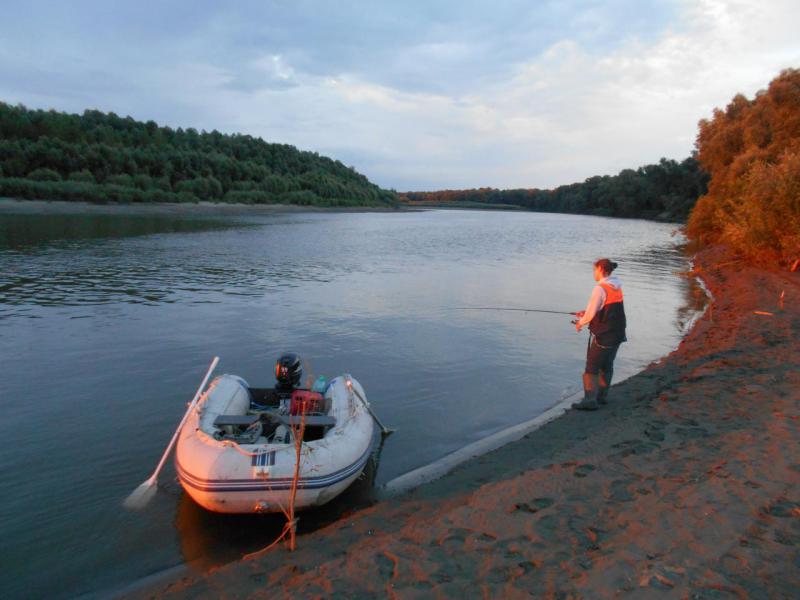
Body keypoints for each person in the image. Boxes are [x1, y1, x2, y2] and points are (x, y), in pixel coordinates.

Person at [572, 258, 627, 410]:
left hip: (605, 335)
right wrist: (586, 314)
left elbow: (590, 314)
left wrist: (580, 323)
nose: (593, 273)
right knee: (607, 365)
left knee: (592, 366)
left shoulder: (600, 288)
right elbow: (606, 308)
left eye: (594, 270)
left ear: (601, 269)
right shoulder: (616, 285)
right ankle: (602, 397)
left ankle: (590, 401)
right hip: (618, 333)